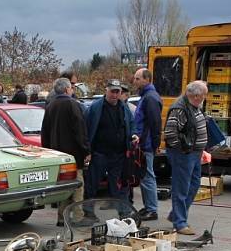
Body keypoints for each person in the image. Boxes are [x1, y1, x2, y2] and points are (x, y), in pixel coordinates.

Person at [84, 80, 136, 218]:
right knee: (92, 185)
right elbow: (86, 129)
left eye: (117, 91)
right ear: (106, 90)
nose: (114, 94)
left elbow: (132, 124)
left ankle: (124, 214)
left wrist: (134, 135)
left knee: (119, 185)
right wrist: (88, 151)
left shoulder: (124, 108)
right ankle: (89, 213)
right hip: (99, 153)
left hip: (119, 154)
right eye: (112, 91)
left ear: (121, 93)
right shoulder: (95, 108)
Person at [41, 77, 89, 226]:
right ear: (68, 89)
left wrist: (48, 151)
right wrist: (86, 150)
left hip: (57, 154)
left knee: (64, 186)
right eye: (72, 88)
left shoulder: (51, 105)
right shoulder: (72, 104)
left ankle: (62, 217)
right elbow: (80, 130)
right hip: (74, 154)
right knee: (78, 186)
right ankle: (78, 216)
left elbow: (45, 132)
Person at [163, 80, 209, 234]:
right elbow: (170, 134)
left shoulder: (194, 106)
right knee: (181, 188)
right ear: (195, 96)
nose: (204, 99)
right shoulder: (180, 109)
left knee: (194, 185)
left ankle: (176, 215)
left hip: (194, 153)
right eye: (203, 96)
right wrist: (183, 150)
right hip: (184, 155)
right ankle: (180, 223)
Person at [132, 68, 162, 220]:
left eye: (137, 79)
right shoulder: (146, 96)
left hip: (146, 144)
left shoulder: (150, 98)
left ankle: (152, 209)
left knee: (148, 175)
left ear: (146, 79)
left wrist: (154, 143)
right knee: (144, 176)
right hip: (144, 143)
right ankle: (148, 206)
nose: (134, 81)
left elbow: (155, 123)